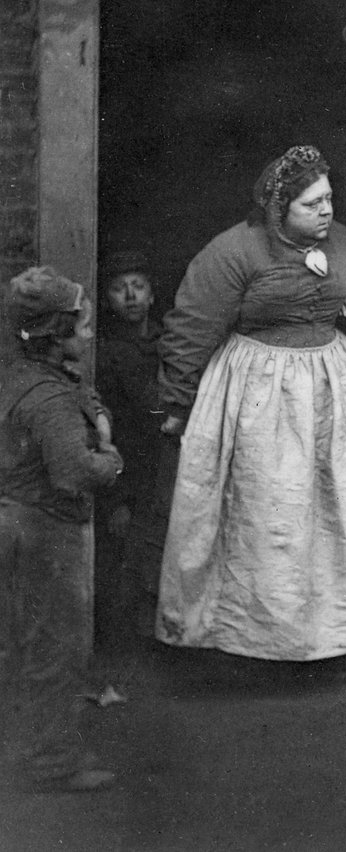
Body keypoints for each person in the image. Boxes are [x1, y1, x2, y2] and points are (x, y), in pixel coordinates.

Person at [155, 145, 346, 661]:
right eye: (311, 204)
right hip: (258, 392)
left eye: (328, 199)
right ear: (280, 209)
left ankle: (326, 637)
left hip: (328, 389)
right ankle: (248, 641)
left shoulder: (343, 240)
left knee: (328, 511)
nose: (326, 211)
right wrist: (177, 403)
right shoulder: (235, 250)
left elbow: (344, 296)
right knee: (266, 515)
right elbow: (192, 327)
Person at [0, 267, 123, 792]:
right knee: (57, 647)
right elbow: (74, 473)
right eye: (83, 326)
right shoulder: (49, 401)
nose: (90, 334)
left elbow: (77, 392)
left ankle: (31, 748)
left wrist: (92, 410)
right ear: (56, 335)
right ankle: (52, 764)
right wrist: (111, 458)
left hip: (19, 519)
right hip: (47, 530)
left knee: (28, 641)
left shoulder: (24, 375)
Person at [91, 250, 163, 700]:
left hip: (162, 466)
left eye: (139, 286)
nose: (131, 296)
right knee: (121, 571)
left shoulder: (165, 339)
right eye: (120, 288)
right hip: (128, 471)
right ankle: (117, 665)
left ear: (153, 295)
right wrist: (116, 497)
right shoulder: (106, 351)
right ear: (108, 298)